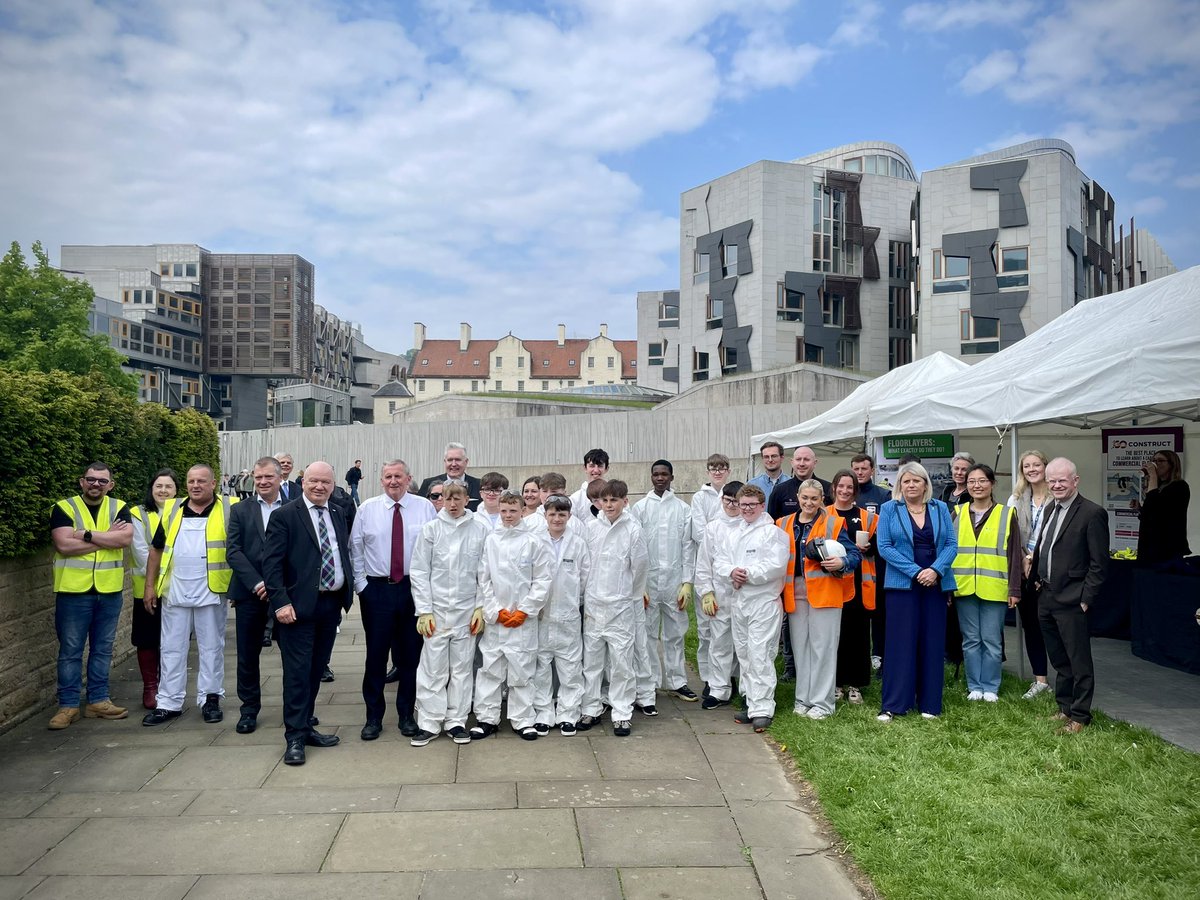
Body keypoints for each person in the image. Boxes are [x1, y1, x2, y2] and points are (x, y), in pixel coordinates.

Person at [261, 461, 353, 765]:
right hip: (296, 609)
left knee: (316, 670)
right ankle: (295, 738)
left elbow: (341, 552)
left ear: (333, 484)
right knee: (298, 674)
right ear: (303, 482)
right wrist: (280, 603)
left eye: (326, 482)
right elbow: (272, 564)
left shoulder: (338, 512)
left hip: (329, 606)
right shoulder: (285, 515)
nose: (319, 487)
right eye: (314, 481)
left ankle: (307, 723)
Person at [142, 465, 237, 726]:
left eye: (201, 481)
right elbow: (156, 550)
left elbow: (240, 549)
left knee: (212, 648)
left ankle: (210, 698)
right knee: (171, 648)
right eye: (191, 481)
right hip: (175, 590)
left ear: (213, 483)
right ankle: (168, 702)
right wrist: (149, 587)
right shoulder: (172, 509)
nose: (195, 486)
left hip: (212, 591)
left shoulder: (229, 508)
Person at [349, 460, 437, 739]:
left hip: (414, 589)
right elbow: (356, 548)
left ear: (409, 479)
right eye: (388, 476)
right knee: (376, 656)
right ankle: (373, 717)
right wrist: (362, 586)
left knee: (411, 656)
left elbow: (436, 548)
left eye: (398, 476)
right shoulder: (367, 509)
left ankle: (406, 715)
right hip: (377, 591)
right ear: (381, 480)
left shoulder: (424, 507)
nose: (393, 481)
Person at [47, 461, 133, 729]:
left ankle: (98, 701)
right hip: (73, 592)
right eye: (91, 479)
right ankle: (68, 706)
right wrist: (105, 538)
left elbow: (124, 540)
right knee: (70, 651)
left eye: (102, 481)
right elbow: (63, 545)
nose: (96, 484)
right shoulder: (64, 507)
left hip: (109, 591)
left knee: (102, 649)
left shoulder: (118, 507)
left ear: (111, 485)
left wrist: (84, 535)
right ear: (82, 481)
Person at [408, 483, 492, 746]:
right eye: (447, 498)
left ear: (468, 499)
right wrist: (424, 610)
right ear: (441, 500)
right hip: (438, 612)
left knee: (462, 669)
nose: (453, 504)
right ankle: (430, 722)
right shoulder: (431, 529)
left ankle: (456, 720)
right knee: (433, 669)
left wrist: (481, 606)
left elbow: (485, 572)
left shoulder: (480, 529)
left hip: (467, 612)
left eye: (458, 498)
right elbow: (420, 571)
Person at [876, 462, 958, 722]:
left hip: (935, 583)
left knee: (932, 642)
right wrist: (915, 571)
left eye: (916, 481)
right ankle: (894, 704)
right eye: (906, 481)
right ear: (900, 485)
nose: (911, 485)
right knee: (900, 642)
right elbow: (885, 547)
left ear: (926, 484)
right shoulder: (889, 508)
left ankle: (930, 703)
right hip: (903, 584)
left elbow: (951, 544)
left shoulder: (941, 508)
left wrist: (935, 570)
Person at [1031, 457, 1108, 733]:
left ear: (1075, 481)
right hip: (1047, 596)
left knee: (1079, 661)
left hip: (1073, 599)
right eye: (1051, 480)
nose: (1056, 485)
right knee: (1059, 659)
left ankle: (1080, 716)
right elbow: (1045, 548)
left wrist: (1086, 598)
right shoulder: (1051, 507)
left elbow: (1099, 564)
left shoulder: (1092, 513)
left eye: (1062, 480)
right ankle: (1064, 708)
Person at [471, 490, 553, 741]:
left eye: (513, 511)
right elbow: (483, 578)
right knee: (490, 670)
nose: (508, 516)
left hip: (522, 620)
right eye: (504, 511)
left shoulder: (533, 542)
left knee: (522, 671)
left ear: (522, 511)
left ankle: (522, 719)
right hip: (498, 620)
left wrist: (525, 610)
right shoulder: (491, 541)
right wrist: (495, 611)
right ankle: (487, 718)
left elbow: (542, 580)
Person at [777, 478, 860, 720]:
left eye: (814, 498)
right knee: (801, 648)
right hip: (795, 593)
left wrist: (842, 562)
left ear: (822, 499)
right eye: (805, 498)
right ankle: (803, 699)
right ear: (798, 498)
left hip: (826, 592)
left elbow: (853, 554)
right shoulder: (782, 523)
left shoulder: (834, 522)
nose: (809, 502)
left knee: (823, 648)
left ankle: (823, 704)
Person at [715, 484, 789, 733]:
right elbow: (721, 559)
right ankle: (750, 700)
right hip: (739, 601)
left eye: (751, 505)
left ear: (762, 506)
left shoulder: (773, 533)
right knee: (745, 653)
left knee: (760, 653)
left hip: (763, 601)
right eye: (742, 504)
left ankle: (763, 707)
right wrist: (730, 572)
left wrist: (747, 574)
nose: (746, 509)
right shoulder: (733, 533)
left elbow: (776, 565)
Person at [579, 480, 648, 737]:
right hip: (595, 604)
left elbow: (639, 568)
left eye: (614, 501)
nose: (609, 505)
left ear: (624, 501)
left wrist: (628, 596)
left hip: (620, 605)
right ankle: (591, 708)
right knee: (593, 661)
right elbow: (585, 566)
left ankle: (621, 713)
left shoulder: (633, 530)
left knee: (621, 662)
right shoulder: (590, 528)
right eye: (605, 501)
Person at [952, 464, 1022, 703]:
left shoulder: (1006, 513)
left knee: (992, 640)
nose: (976, 485)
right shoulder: (958, 513)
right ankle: (975, 686)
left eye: (982, 481)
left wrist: (1014, 589)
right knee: (970, 639)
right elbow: (948, 550)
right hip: (963, 587)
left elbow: (1015, 555)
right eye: (972, 481)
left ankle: (990, 686)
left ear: (992, 483)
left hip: (995, 588)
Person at [225, 456, 285, 734]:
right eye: (258, 477)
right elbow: (233, 551)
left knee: (293, 656)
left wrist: (278, 585)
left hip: (286, 594)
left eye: (268, 477)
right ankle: (249, 709)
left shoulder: (294, 508)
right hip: (251, 593)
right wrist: (258, 582)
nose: (262, 482)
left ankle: (296, 711)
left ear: (279, 477)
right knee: (248, 655)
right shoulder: (241, 510)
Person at [631, 460, 698, 702]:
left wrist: (687, 582)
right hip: (648, 582)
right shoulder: (639, 509)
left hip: (673, 581)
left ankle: (678, 681)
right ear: (651, 477)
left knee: (675, 634)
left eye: (664, 474)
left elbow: (688, 547)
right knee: (647, 634)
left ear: (671, 477)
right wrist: (640, 585)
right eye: (656, 474)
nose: (660, 478)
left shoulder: (682, 509)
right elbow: (635, 549)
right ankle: (649, 683)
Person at [533, 494, 590, 734]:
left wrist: (575, 602)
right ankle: (543, 712)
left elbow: (585, 577)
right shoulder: (534, 541)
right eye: (552, 514)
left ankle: (568, 713)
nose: (557, 519)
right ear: (545, 516)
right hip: (541, 615)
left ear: (569, 516)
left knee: (570, 668)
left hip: (568, 613)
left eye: (562, 514)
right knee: (541, 666)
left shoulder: (577, 544)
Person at [128, 468, 178, 710]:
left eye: (169, 487)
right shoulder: (138, 514)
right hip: (145, 588)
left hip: (176, 589)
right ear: (151, 489)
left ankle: (169, 687)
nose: (163, 491)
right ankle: (150, 687)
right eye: (159, 486)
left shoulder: (183, 512)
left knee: (172, 641)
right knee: (147, 639)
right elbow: (140, 551)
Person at [827, 470, 876, 706]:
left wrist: (869, 548)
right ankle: (836, 683)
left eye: (850, 487)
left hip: (860, 584)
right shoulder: (824, 514)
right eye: (841, 486)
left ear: (855, 490)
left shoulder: (866, 517)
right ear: (834, 487)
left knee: (857, 635)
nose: (845, 491)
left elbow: (879, 545)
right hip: (832, 583)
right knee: (835, 635)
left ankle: (856, 684)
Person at [695, 481, 744, 709]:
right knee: (719, 642)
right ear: (721, 500)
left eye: (737, 501)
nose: (732, 505)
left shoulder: (750, 524)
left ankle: (746, 689)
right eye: (728, 500)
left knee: (745, 644)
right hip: (720, 594)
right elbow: (704, 562)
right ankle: (719, 688)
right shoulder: (713, 527)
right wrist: (706, 592)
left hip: (745, 593)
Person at [1010, 449, 1053, 699]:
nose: (1032, 469)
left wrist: (1035, 560)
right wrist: (1024, 559)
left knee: (1053, 627)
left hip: (1049, 569)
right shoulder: (1016, 499)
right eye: (1027, 466)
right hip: (1024, 571)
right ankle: (1040, 680)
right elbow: (1011, 533)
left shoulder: (1056, 496)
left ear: (1045, 466)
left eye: (1037, 464)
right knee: (1031, 626)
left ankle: (1068, 677)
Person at [689, 454, 732, 692]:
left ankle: (728, 675)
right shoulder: (699, 497)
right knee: (706, 628)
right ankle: (708, 676)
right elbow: (699, 531)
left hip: (729, 571)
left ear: (728, 470)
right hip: (706, 567)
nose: (717, 472)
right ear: (707, 471)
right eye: (713, 468)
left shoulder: (734, 492)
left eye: (722, 468)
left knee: (729, 630)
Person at [851, 454, 890, 673]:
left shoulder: (882, 495)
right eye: (856, 468)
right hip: (851, 564)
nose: (860, 472)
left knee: (877, 611)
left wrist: (872, 546)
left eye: (863, 468)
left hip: (876, 563)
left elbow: (887, 529)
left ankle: (879, 654)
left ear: (872, 470)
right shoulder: (846, 493)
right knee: (856, 612)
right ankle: (860, 654)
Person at [1138, 449, 1190, 567]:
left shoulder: (1179, 486)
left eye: (1161, 461)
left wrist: (1153, 476)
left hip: (1167, 546)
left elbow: (1161, 511)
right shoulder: (1159, 486)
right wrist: (1140, 508)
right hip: (1149, 543)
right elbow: (1151, 514)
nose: (1156, 464)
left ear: (1172, 464)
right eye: (1154, 460)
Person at [767, 446, 833, 521]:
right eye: (798, 459)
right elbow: (771, 523)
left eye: (806, 459)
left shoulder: (828, 489)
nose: (802, 463)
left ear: (815, 463)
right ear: (792, 462)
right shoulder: (780, 490)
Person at [418, 442, 482, 511]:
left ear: (466, 462)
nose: (454, 464)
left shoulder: (479, 485)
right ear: (445, 462)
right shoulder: (428, 483)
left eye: (458, 460)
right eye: (450, 460)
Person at [569, 448, 610, 518]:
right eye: (592, 466)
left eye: (600, 466)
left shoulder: (614, 494)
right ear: (585, 468)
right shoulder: (575, 499)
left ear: (606, 469)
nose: (596, 470)